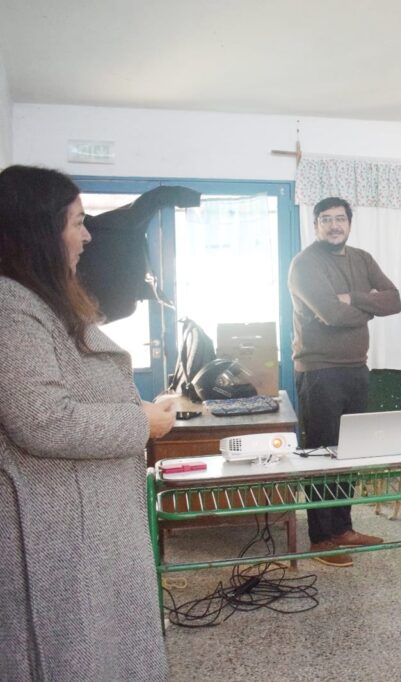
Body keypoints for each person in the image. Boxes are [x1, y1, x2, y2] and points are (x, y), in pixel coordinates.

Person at [0, 165, 176, 680]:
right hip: (56, 530)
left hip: (84, 523)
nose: (88, 236)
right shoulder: (11, 310)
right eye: (77, 222)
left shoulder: (37, 300)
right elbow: (43, 421)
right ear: (39, 230)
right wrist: (140, 422)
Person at [288, 197, 401, 567]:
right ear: (315, 225)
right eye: (326, 219)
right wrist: (369, 308)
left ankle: (343, 528)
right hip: (319, 372)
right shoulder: (305, 264)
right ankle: (322, 538)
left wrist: (353, 297)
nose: (334, 225)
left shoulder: (362, 259)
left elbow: (395, 301)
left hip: (356, 369)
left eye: (340, 218)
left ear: (349, 223)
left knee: (349, 451)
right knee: (322, 453)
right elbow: (332, 315)